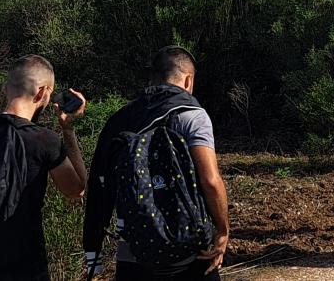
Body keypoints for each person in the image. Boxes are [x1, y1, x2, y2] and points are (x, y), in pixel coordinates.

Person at [82, 47, 231, 280]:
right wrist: (222, 230)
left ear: (152, 78)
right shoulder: (192, 114)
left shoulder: (120, 119)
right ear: (188, 79)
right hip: (189, 245)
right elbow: (210, 180)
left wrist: (93, 245)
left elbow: (99, 184)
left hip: (135, 245)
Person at [0, 55, 89, 281]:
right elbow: (76, 190)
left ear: (6, 88)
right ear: (42, 93)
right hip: (23, 266)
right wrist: (68, 130)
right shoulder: (43, 139)